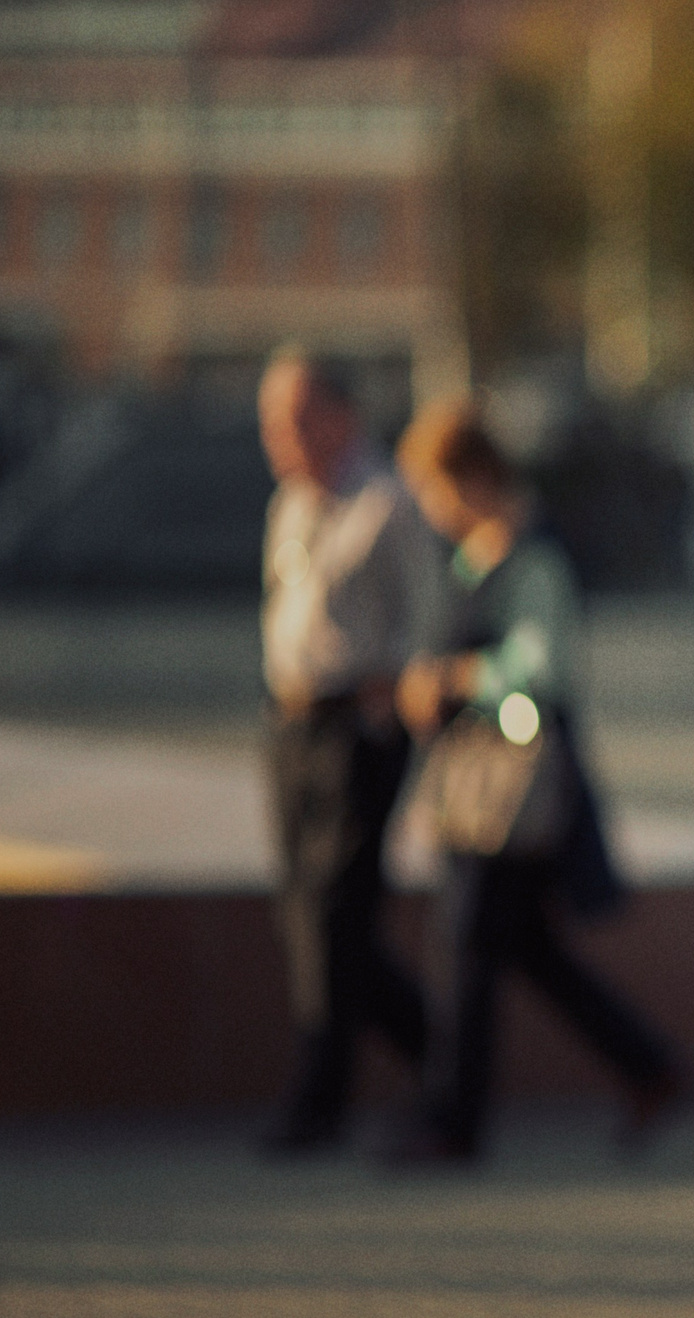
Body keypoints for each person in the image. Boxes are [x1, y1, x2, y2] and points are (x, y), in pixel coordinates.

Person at [389, 398, 681, 1162]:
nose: (430, 508)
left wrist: (457, 679)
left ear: (470, 477)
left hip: (511, 792)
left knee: (465, 945)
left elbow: (541, 670)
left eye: (433, 488)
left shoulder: (532, 555)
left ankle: (452, 1122)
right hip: (484, 790)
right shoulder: (474, 555)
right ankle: (649, 1066)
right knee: (522, 948)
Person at [255, 347, 442, 1155]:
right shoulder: (291, 504)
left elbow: (427, 616)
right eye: (271, 421)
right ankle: (438, 1050)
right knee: (307, 912)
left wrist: (390, 691)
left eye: (296, 418)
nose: (279, 436)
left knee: (337, 910)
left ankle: (320, 1099)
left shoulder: (388, 503)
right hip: (290, 721)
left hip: (358, 729)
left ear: (341, 416)